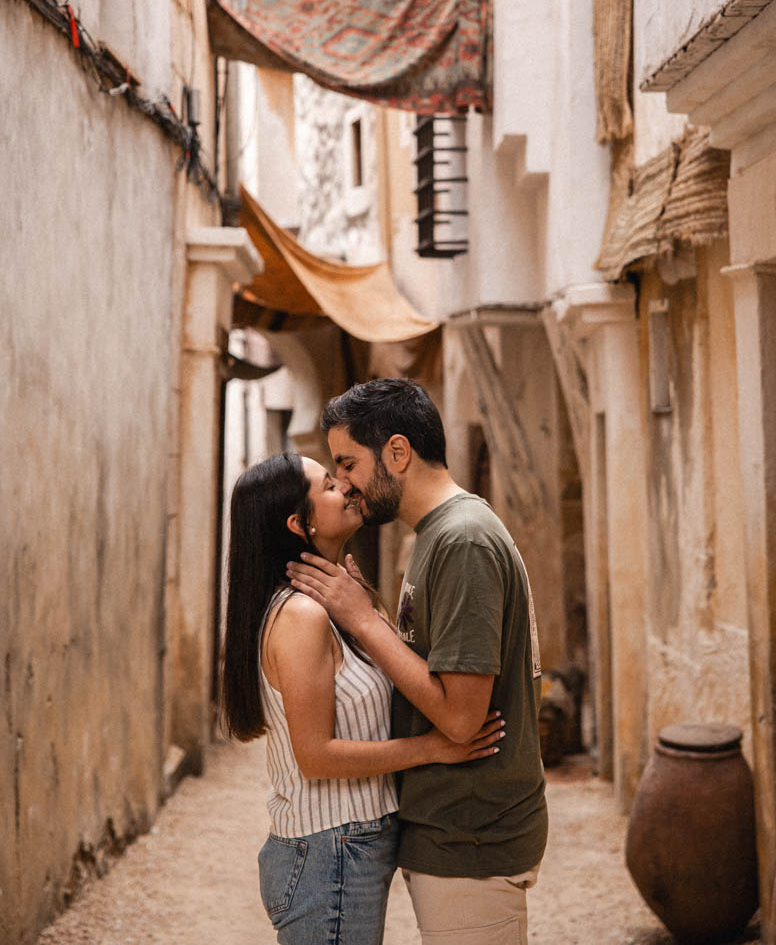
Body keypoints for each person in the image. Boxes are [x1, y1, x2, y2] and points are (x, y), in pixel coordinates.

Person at [287, 379, 548, 945]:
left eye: (349, 463)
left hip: (471, 835)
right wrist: (372, 612)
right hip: (454, 831)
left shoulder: (462, 542)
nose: (347, 485)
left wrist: (361, 619)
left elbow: (460, 719)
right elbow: (427, 662)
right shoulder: (438, 534)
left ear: (398, 452)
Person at [221, 451, 505, 945]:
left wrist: (363, 610)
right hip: (327, 849)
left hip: (348, 846)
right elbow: (316, 755)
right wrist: (433, 748)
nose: (348, 488)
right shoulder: (301, 618)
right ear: (298, 522)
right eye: (330, 486)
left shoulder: (337, 602)